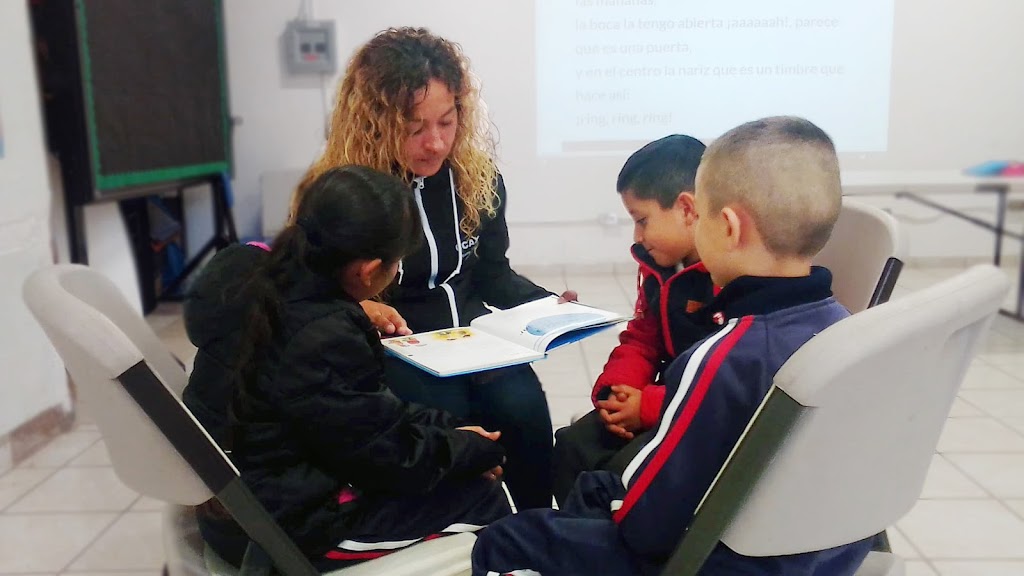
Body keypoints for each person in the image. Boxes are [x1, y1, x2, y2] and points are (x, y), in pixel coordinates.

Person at [471, 117, 874, 575]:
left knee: (507, 539)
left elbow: (648, 527)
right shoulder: (844, 330)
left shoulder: (724, 355)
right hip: (814, 551)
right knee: (589, 484)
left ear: (726, 227)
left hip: (718, 559)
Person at [292, 27, 573, 509]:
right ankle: (467, 530)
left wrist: (551, 305)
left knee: (522, 407)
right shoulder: (342, 193)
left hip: (471, 339)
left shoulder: (477, 180)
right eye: (414, 128)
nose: (436, 143)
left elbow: (492, 275)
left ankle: (534, 530)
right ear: (373, 124)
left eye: (447, 122)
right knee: (448, 419)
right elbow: (305, 292)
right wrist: (363, 307)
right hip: (395, 349)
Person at [182, 166, 511, 571]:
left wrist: (452, 433)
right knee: (486, 498)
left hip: (235, 502)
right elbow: (388, 459)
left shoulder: (246, 271)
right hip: (279, 533)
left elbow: (363, 420)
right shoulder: (324, 335)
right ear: (368, 271)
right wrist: (476, 450)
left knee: (454, 463)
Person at [551, 134, 717, 505]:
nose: (637, 236)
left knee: (613, 478)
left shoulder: (725, 277)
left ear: (687, 209)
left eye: (642, 220)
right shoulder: (658, 268)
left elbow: (722, 380)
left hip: (695, 417)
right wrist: (617, 393)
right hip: (660, 401)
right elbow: (642, 338)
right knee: (571, 445)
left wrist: (646, 406)